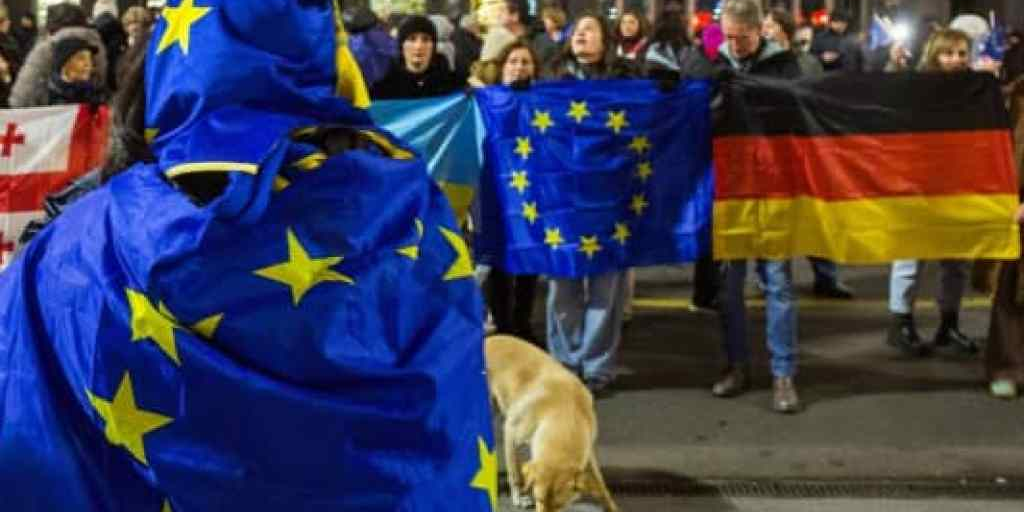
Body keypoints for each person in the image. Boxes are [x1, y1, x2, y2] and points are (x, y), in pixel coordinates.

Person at [712, 0, 803, 414]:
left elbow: (800, 115)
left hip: (773, 187)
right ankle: (737, 365)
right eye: (728, 37)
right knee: (729, 286)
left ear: (759, 32)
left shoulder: (785, 66)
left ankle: (783, 374)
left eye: (742, 38)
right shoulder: (715, 65)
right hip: (730, 189)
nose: (734, 45)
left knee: (778, 282)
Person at [543, 12, 637, 397]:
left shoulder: (624, 81)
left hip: (608, 196)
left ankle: (597, 366)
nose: (581, 35)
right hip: (563, 197)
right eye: (576, 30)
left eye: (589, 30)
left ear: (605, 40)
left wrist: (667, 87)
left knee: (605, 286)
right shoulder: (550, 79)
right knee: (563, 282)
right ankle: (565, 362)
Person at [884, 28, 979, 358]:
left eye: (962, 53)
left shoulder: (976, 88)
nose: (956, 60)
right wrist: (894, 68)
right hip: (918, 184)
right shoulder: (916, 85)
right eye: (949, 53)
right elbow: (886, 101)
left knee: (956, 261)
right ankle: (901, 324)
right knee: (910, 255)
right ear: (935, 55)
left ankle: (948, 325)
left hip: (959, 184)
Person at [761, 8, 855, 300]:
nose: (765, 31)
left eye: (770, 26)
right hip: (773, 150)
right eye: (763, 26)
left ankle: (826, 277)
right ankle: (768, 279)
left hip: (807, 149)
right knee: (772, 218)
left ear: (785, 30)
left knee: (816, 214)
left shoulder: (808, 62)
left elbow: (821, 99)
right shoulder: (758, 64)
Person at [470, 39, 542, 342]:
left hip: (530, 189)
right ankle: (503, 324)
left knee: (529, 255)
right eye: (513, 61)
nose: (518, 67)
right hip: (494, 187)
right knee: (496, 256)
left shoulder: (543, 101)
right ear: (501, 68)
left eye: (525, 62)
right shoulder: (485, 100)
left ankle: (523, 323)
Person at [9, 3, 108, 107]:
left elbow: (23, 95)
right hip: (90, 110)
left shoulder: (47, 47)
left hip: (51, 111)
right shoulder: (96, 44)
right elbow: (101, 80)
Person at [371, 15, 460, 99]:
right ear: (401, 45)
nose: (418, 46)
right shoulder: (382, 86)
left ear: (434, 45)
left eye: (425, 39)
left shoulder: (453, 84)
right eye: (412, 39)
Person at [47, 37, 106, 105]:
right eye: (81, 58)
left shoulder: (96, 94)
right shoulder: (45, 97)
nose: (88, 64)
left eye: (90, 58)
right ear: (64, 63)